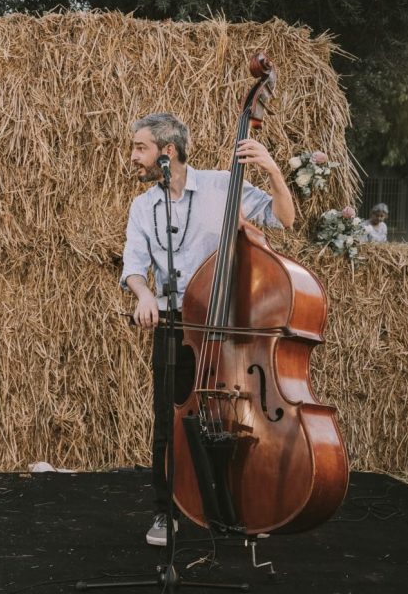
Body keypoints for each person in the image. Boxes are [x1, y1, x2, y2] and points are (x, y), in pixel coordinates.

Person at [119, 112, 295, 546]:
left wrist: (272, 171)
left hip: (226, 325)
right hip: (175, 325)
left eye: (140, 148)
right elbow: (134, 267)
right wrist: (143, 295)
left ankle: (240, 506)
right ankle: (167, 512)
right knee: (170, 420)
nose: (133, 157)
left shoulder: (222, 187)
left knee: (237, 416)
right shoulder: (143, 207)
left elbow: (283, 218)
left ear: (169, 152)